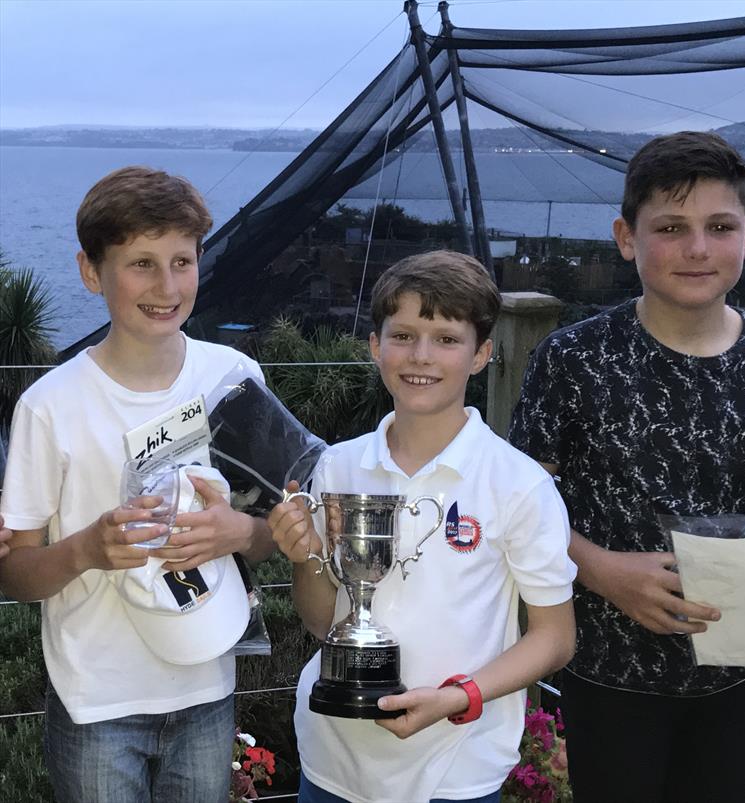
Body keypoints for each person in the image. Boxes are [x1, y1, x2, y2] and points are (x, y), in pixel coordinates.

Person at [508, 131, 745, 803]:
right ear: (626, 236)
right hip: (609, 670)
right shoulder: (573, 360)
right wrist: (599, 568)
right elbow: (516, 505)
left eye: (719, 226)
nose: (698, 248)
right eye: (671, 227)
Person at [0, 166, 277, 803]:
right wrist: (85, 551)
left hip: (208, 687)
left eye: (182, 260)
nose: (167, 285)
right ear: (90, 271)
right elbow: (14, 571)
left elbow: (274, 534)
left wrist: (242, 532)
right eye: (141, 263)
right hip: (95, 700)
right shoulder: (50, 405)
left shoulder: (235, 375)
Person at [269, 250, 577, 803]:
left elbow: (555, 638)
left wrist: (459, 696)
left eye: (446, 339)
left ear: (482, 353)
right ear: (374, 345)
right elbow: (324, 621)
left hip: (456, 769)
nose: (421, 356)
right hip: (335, 761)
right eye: (404, 335)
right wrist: (302, 557)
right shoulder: (337, 466)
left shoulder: (518, 483)